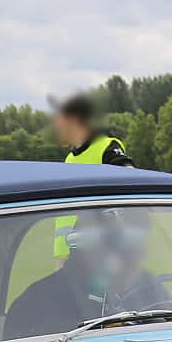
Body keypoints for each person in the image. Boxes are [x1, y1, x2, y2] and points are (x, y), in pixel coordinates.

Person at [6, 209, 172, 340]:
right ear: (82, 254)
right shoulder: (38, 301)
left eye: (131, 245)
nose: (132, 256)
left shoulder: (148, 285)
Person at [50, 92, 136, 260]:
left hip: (98, 255)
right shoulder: (70, 159)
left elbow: (132, 179)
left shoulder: (107, 147)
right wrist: (61, 256)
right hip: (69, 256)